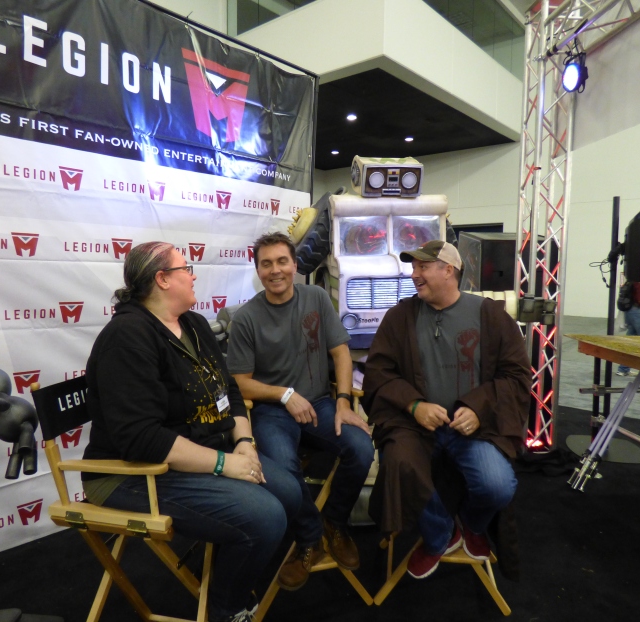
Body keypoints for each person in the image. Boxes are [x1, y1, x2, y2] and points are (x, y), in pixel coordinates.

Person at [82, 241, 302, 622]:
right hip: (129, 473)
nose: (193, 275)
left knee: (290, 493)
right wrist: (223, 464)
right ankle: (226, 607)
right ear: (163, 279)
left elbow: (229, 391)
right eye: (186, 269)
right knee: (266, 517)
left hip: (197, 453)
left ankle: (227, 570)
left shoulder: (195, 324)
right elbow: (141, 439)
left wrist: (245, 443)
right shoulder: (127, 338)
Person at [362, 239, 531, 579]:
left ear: (448, 271)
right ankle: (441, 535)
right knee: (399, 465)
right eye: (413, 268)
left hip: (475, 430)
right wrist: (414, 406)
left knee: (498, 486)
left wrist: (479, 410)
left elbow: (516, 376)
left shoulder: (491, 316)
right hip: (415, 426)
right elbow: (378, 374)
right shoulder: (400, 317)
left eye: (423, 267)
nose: (414, 275)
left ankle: (471, 524)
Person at [226, 232, 375, 591]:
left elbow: (340, 351)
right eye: (266, 263)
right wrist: (284, 394)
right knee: (281, 466)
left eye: (282, 261)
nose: (275, 270)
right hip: (272, 411)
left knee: (362, 449)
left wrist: (342, 401)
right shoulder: (246, 318)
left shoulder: (317, 297)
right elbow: (239, 383)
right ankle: (309, 537)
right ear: (257, 269)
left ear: (294, 265)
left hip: (322, 404)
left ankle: (335, 522)